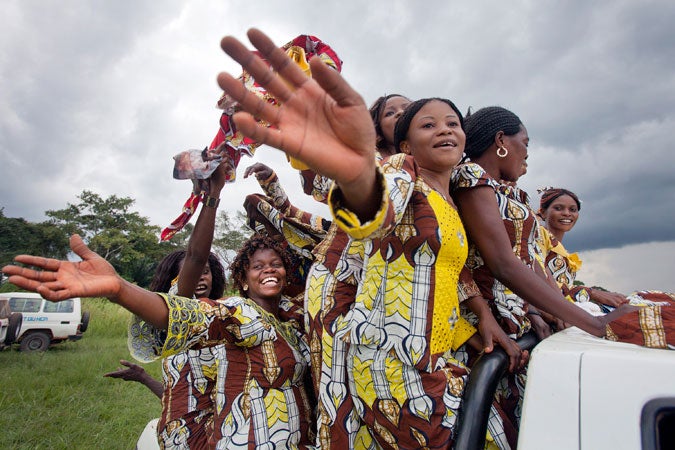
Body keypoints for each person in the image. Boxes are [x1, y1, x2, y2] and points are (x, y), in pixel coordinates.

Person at [4, 232, 314, 449]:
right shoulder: (237, 312)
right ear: (242, 281)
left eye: (276, 264)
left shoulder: (295, 320)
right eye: (257, 266)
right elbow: (190, 310)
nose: (269, 270)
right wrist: (119, 289)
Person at [537, 186, 674, 311]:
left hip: (565, 306)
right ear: (543, 213)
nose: (567, 213)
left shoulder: (561, 250)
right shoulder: (539, 240)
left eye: (573, 209)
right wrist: (592, 293)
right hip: (553, 309)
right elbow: (544, 287)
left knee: (653, 299)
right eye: (558, 208)